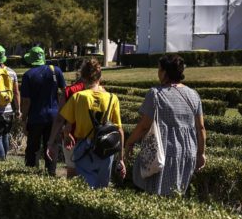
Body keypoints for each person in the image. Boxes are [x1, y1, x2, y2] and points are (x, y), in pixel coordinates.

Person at [124, 54, 206, 196]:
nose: (158, 72)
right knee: (176, 195)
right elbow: (201, 128)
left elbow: (144, 125)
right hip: (187, 153)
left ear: (165, 72)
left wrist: (129, 142)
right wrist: (201, 153)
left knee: (154, 195)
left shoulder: (155, 94)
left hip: (163, 152)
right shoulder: (194, 95)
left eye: (159, 69)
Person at [47, 59, 123, 188]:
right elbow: (119, 130)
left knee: (85, 190)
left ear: (82, 76)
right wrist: (121, 159)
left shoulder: (78, 97)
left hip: (84, 148)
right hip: (106, 149)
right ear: (100, 76)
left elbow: (64, 122)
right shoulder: (112, 98)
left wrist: (58, 138)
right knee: (102, 190)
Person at [20, 46, 66, 175]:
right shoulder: (55, 70)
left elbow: (26, 101)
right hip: (54, 116)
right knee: (52, 145)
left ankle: (31, 174)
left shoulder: (28, 75)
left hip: (35, 117)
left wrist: (23, 119)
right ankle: (51, 173)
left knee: (33, 148)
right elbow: (65, 92)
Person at [60, 64, 89, 178]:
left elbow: (60, 116)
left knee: (71, 171)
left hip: (71, 137)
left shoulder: (70, 90)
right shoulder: (100, 90)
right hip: (90, 137)